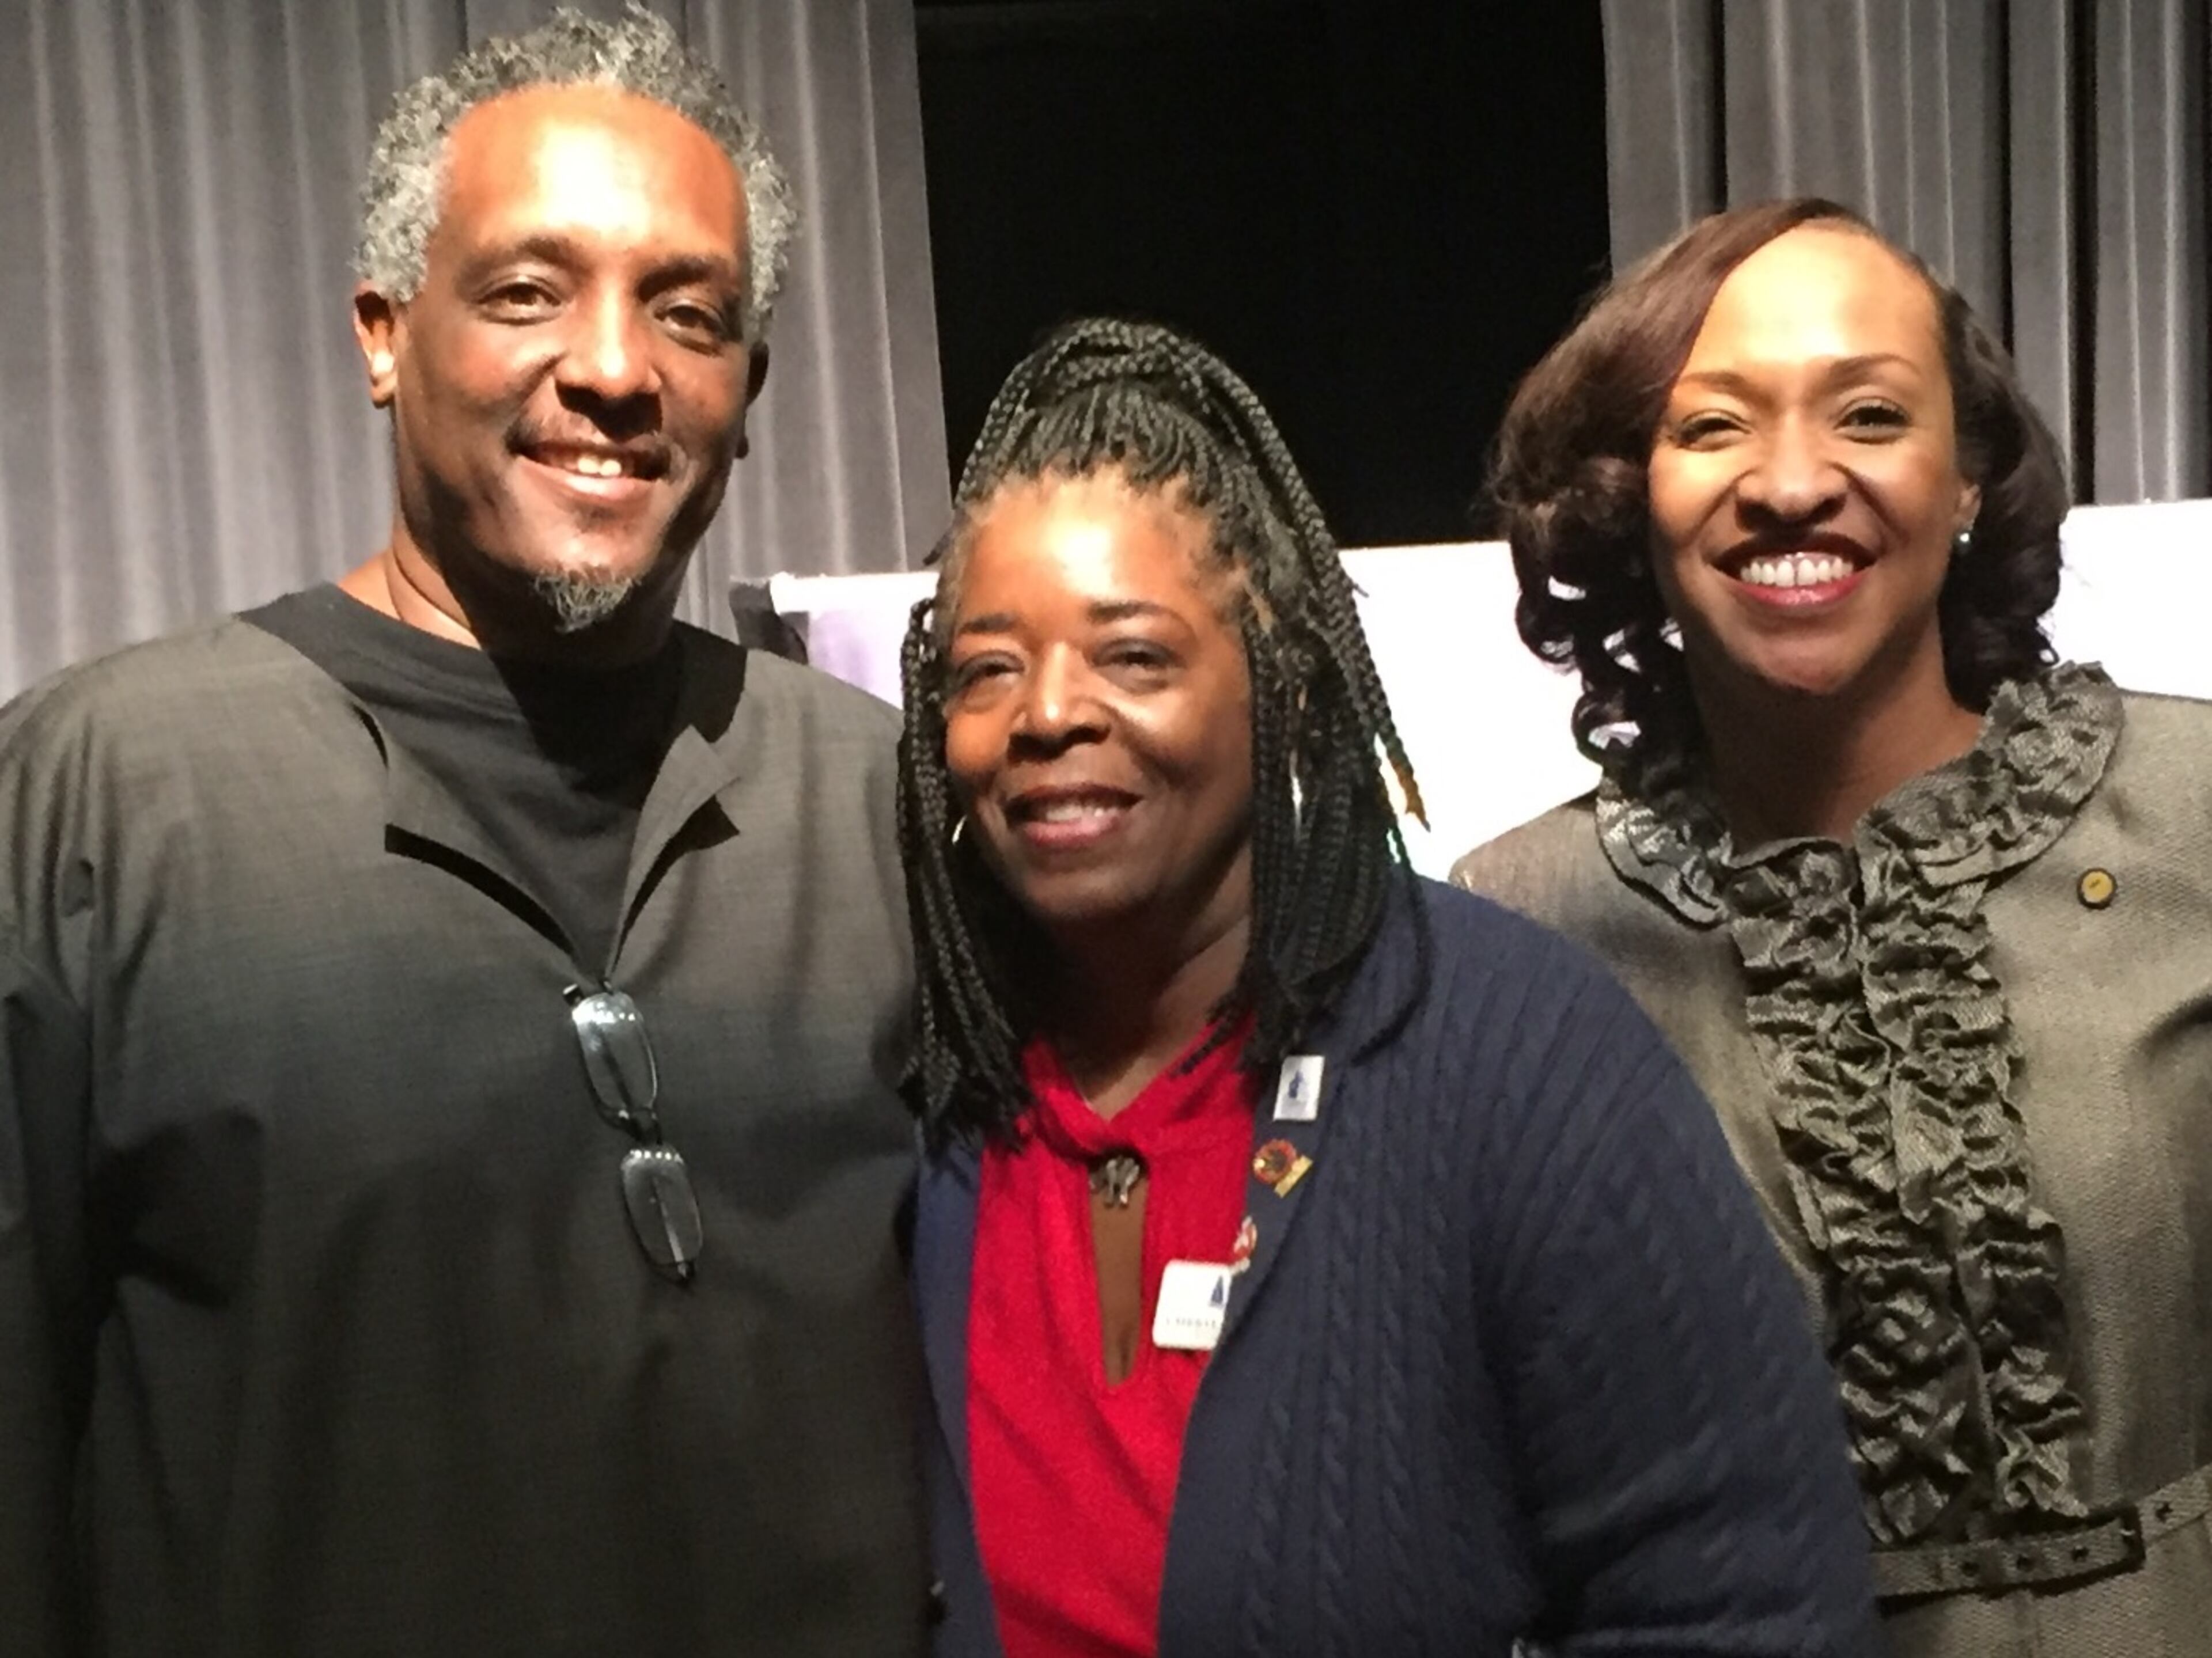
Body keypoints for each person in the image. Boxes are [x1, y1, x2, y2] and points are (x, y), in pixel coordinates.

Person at [0, 10, 927, 1655]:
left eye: (690, 313)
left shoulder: (872, 804)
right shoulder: (105, 796)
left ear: (752, 386)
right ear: (382, 334)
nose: (618, 370)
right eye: (527, 291)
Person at [895, 316, 1880, 1657]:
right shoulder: (929, 1089)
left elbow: (1749, 1609)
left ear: (1284, 687)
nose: (1048, 713)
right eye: (986, 669)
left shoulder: (1515, 1064)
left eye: (1134, 655)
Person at [1454, 196, 2212, 1653]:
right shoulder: (1516, 937)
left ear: (1972, 475)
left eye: (1868, 414)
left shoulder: (2190, 819)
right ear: (1632, 493)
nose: (1792, 482)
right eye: (1713, 427)